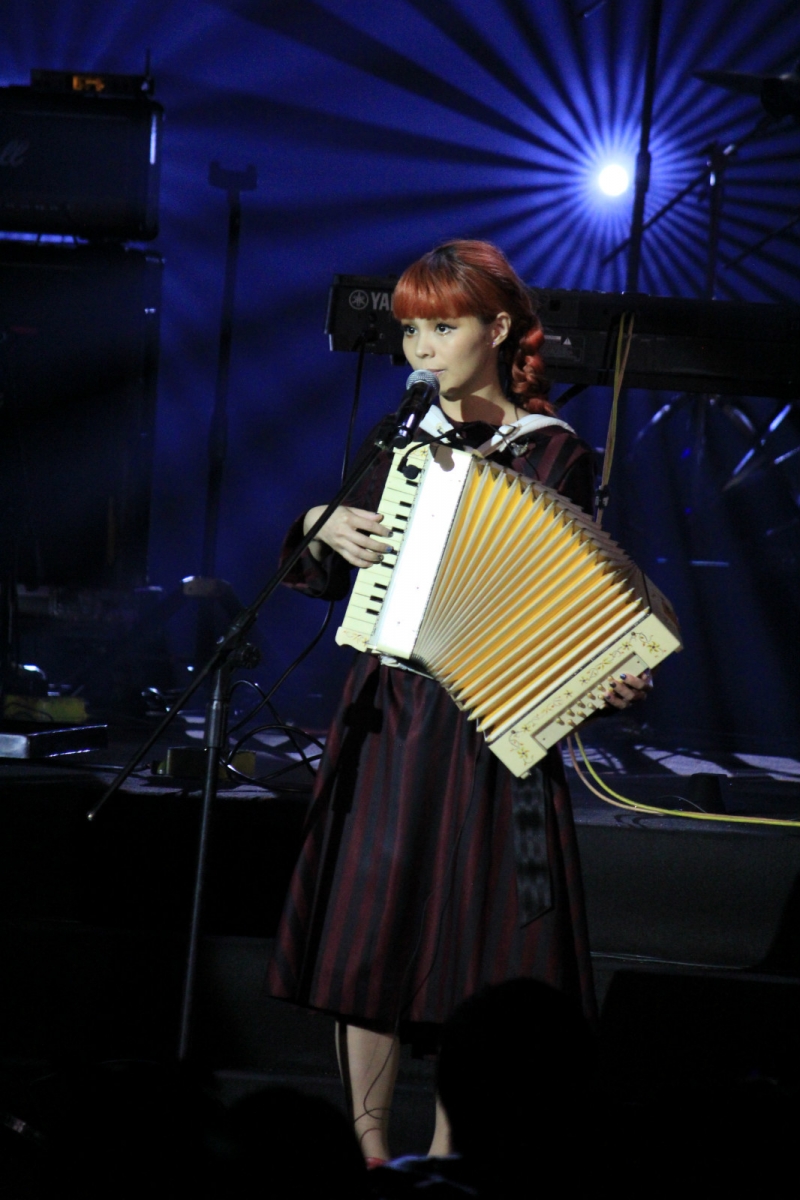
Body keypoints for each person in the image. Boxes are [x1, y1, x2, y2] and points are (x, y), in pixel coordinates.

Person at [266, 240, 649, 1164]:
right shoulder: (401, 439)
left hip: (496, 729)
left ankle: (452, 1158)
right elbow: (323, 571)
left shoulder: (555, 453)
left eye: (443, 327)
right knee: (369, 934)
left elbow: (569, 599)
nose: (423, 349)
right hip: (391, 715)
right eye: (411, 332)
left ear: (499, 327)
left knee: (488, 941)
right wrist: (319, 523)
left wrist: (604, 672)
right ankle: (367, 1153)